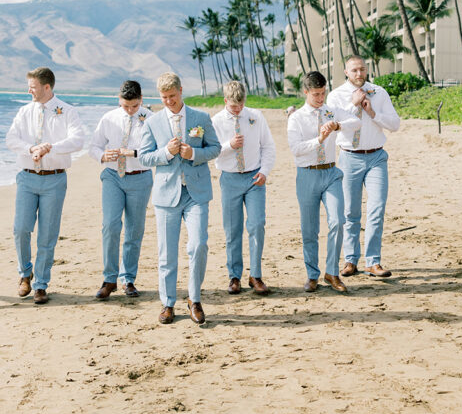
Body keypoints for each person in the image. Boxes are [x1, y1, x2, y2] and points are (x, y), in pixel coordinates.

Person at [139, 72, 221, 326]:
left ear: (181, 91)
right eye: (164, 98)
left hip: (196, 193)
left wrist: (192, 152)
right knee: (167, 254)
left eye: (172, 96)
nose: (168, 101)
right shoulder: (152, 122)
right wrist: (166, 152)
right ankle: (168, 303)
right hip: (166, 195)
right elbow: (144, 157)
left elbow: (215, 148)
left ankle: (194, 299)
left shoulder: (201, 118)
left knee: (198, 245)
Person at [6, 67, 84, 304]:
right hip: (27, 177)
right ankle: (24, 273)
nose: (29, 90)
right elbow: (11, 139)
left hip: (55, 178)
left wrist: (50, 147)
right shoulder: (24, 111)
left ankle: (41, 284)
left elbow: (78, 140)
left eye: (33, 86)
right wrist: (31, 149)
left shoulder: (67, 111)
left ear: (47, 87)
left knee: (47, 235)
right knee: (21, 229)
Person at [327, 55, 401, 279]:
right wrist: (353, 104)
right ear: (346, 72)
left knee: (376, 209)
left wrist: (371, 112)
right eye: (354, 70)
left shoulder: (378, 92)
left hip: (376, 156)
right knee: (350, 212)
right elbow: (333, 124)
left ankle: (373, 261)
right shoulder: (336, 95)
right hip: (349, 157)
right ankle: (350, 260)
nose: (359, 74)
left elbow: (395, 124)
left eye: (362, 69)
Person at [287, 71, 360, 293]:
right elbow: (296, 150)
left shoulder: (330, 110)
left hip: (330, 173)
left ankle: (332, 272)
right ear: (306, 92)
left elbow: (356, 122)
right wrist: (318, 140)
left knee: (338, 221)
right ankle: (312, 274)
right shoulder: (296, 118)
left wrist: (337, 126)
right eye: (316, 94)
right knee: (309, 229)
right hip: (307, 174)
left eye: (323, 93)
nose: (320, 98)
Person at [88, 80, 153, 300]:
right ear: (119, 100)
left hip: (140, 177)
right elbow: (94, 146)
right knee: (110, 225)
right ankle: (109, 279)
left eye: (134, 106)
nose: (130, 111)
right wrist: (102, 156)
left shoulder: (151, 120)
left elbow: (157, 151)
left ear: (141, 100)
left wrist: (132, 153)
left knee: (135, 230)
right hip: (112, 176)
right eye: (126, 106)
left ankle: (128, 279)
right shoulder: (108, 118)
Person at [212, 80, 276, 295]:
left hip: (254, 178)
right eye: (233, 106)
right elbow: (211, 152)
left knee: (257, 224)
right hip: (229, 178)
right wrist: (229, 145)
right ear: (225, 101)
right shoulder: (216, 121)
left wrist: (265, 171)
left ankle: (255, 275)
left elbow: (268, 146)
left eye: (240, 105)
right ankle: (234, 276)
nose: (237, 109)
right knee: (232, 229)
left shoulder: (256, 117)